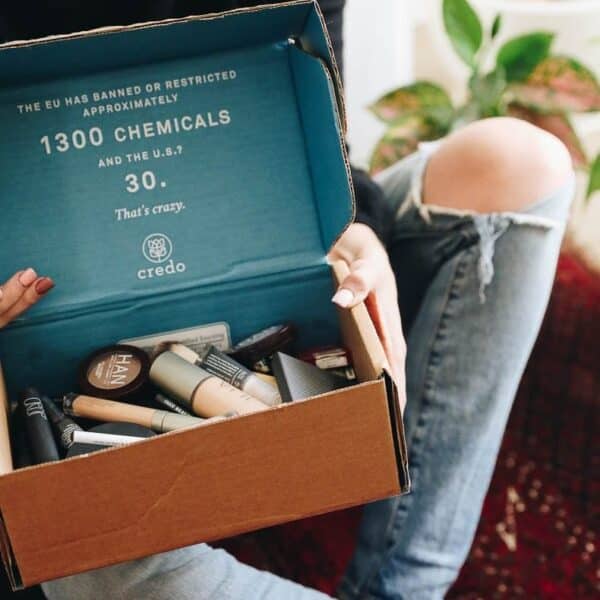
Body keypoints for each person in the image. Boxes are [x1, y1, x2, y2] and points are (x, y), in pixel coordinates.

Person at [0, 2, 575, 598]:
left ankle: (401, 589)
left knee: (521, 161)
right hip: (34, 312)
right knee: (69, 524)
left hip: (260, 265)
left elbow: (323, 143)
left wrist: (355, 229)